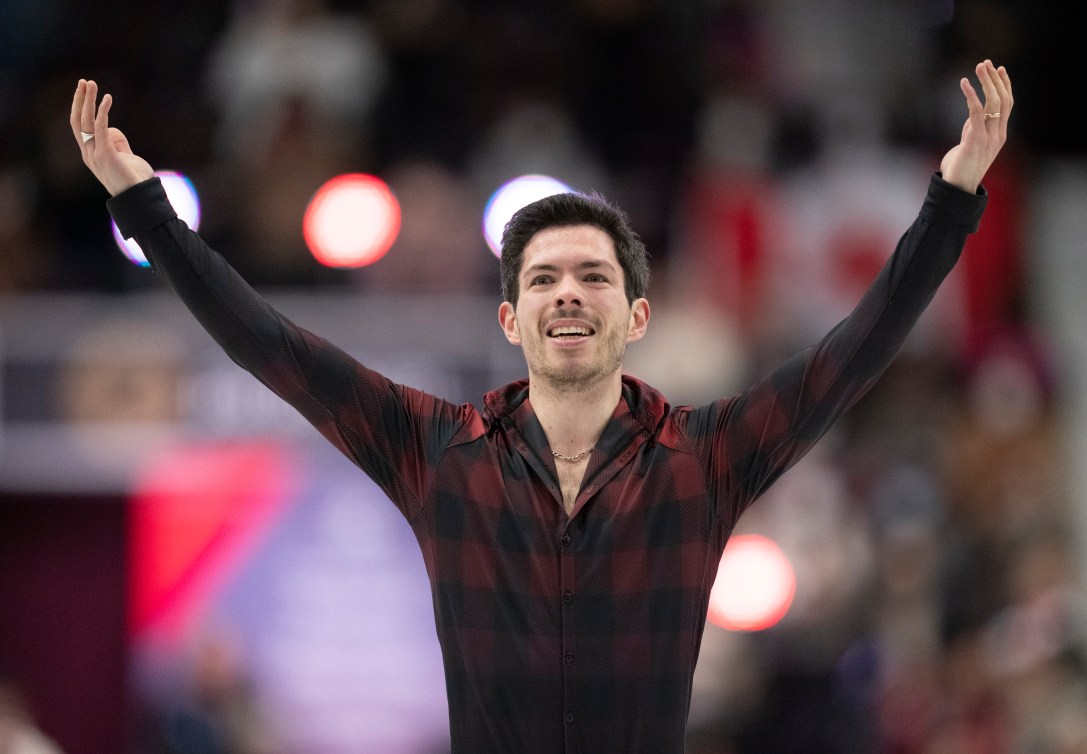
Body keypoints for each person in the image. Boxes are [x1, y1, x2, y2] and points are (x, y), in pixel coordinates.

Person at [70, 60, 1012, 753]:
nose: (568, 292)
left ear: (634, 314)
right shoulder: (435, 451)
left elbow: (855, 353)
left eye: (593, 276)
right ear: (509, 316)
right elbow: (270, 348)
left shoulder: (704, 460)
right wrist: (147, 211)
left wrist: (952, 198)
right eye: (545, 278)